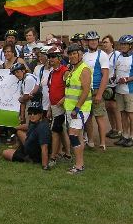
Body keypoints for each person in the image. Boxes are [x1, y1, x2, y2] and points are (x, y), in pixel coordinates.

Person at [63, 43, 92, 175]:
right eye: (70, 54)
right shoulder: (73, 69)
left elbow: (86, 91)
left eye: (75, 53)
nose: (72, 56)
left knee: (73, 136)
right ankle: (80, 163)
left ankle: (79, 165)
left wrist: (77, 107)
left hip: (79, 109)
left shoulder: (84, 69)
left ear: (80, 55)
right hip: (70, 108)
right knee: (78, 136)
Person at [114, 35, 133, 147]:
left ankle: (132, 137)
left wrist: (127, 79)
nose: (123, 46)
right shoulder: (118, 56)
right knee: (122, 114)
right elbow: (116, 70)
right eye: (121, 44)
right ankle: (125, 135)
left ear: (130, 46)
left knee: (130, 114)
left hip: (130, 90)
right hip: (119, 90)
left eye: (125, 44)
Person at [82, 31, 110, 150]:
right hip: (86, 90)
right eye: (91, 40)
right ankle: (91, 141)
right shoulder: (84, 55)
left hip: (97, 89)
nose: (93, 42)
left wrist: (99, 94)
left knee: (99, 117)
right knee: (87, 117)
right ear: (87, 42)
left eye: (95, 40)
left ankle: (103, 142)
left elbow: (105, 75)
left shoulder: (102, 55)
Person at [2, 103, 51, 169]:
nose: (32, 115)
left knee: (5, 152)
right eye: (30, 113)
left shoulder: (43, 128)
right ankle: (20, 147)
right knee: (19, 131)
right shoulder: (35, 122)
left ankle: (26, 159)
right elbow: (28, 126)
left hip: (33, 154)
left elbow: (44, 147)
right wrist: (15, 128)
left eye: (35, 113)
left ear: (41, 114)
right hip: (30, 145)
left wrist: (44, 165)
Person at [46, 46, 72, 167]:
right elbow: (51, 90)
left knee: (55, 131)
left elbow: (70, 89)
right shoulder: (52, 72)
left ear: (59, 58)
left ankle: (53, 157)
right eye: (49, 57)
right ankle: (67, 154)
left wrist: (64, 99)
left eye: (53, 57)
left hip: (62, 106)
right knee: (62, 131)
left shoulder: (65, 71)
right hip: (54, 106)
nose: (50, 59)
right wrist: (50, 108)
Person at [101, 34, 123, 140]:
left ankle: (119, 130)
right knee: (108, 107)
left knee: (114, 107)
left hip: (114, 84)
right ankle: (113, 128)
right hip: (105, 84)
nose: (104, 44)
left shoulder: (117, 54)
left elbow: (120, 68)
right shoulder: (102, 55)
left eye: (106, 42)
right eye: (103, 42)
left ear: (112, 43)